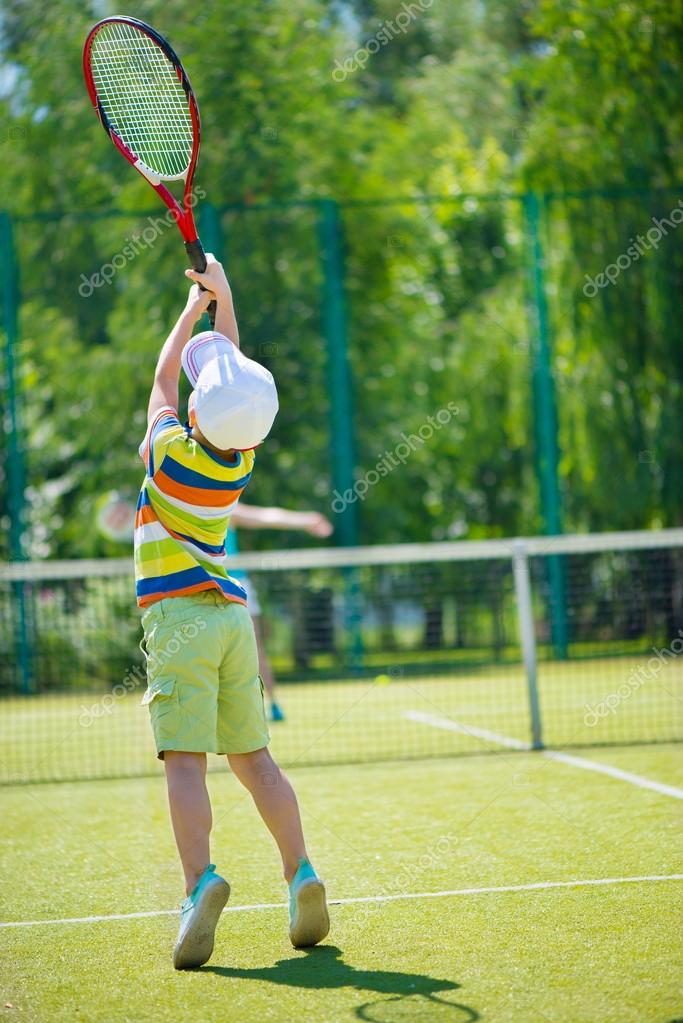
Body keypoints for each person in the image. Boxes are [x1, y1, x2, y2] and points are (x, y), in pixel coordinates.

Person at [134, 255, 329, 969]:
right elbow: (228, 383)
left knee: (184, 761)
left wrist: (192, 310)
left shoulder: (167, 457)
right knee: (255, 759)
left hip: (176, 618)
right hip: (229, 620)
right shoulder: (238, 459)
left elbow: (160, 382)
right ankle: (300, 870)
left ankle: (198, 883)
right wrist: (225, 295)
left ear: (192, 413)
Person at [227, 505, 333, 721]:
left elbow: (267, 516)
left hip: (236, 586)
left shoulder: (225, 507)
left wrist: (306, 519)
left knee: (255, 649)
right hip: (200, 587)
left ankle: (273, 703)